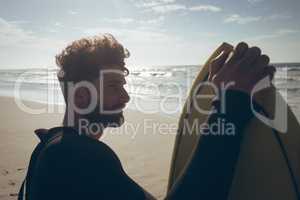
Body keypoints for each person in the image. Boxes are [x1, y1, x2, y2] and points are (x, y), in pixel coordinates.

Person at [18, 34, 275, 200]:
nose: (126, 97)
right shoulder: (75, 156)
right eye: (113, 86)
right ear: (82, 97)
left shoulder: (50, 148)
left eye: (124, 85)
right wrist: (232, 104)